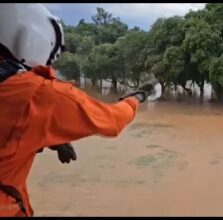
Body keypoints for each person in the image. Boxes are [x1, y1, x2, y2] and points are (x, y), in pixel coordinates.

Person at [0, 4, 156, 216]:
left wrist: (53, 140)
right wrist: (136, 98)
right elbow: (112, 120)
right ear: (32, 40)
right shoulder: (35, 93)